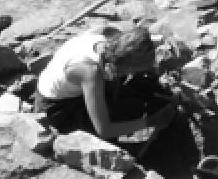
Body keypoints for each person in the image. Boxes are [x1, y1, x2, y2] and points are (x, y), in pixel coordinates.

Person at [35, 26, 178, 140]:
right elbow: (104, 130)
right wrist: (152, 121)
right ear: (127, 66)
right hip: (56, 108)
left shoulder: (104, 40)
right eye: (134, 69)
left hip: (68, 87)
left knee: (139, 85)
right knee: (131, 110)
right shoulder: (90, 72)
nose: (133, 72)